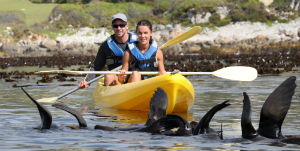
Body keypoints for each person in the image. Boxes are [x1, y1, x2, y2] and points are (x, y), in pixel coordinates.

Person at [78, 13, 138, 88]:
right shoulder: (105, 46)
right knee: (108, 74)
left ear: (127, 26)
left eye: (122, 25)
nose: (119, 28)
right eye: (116, 26)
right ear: (112, 27)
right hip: (114, 80)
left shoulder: (138, 42)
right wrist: (87, 81)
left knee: (136, 74)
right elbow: (96, 66)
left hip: (133, 79)